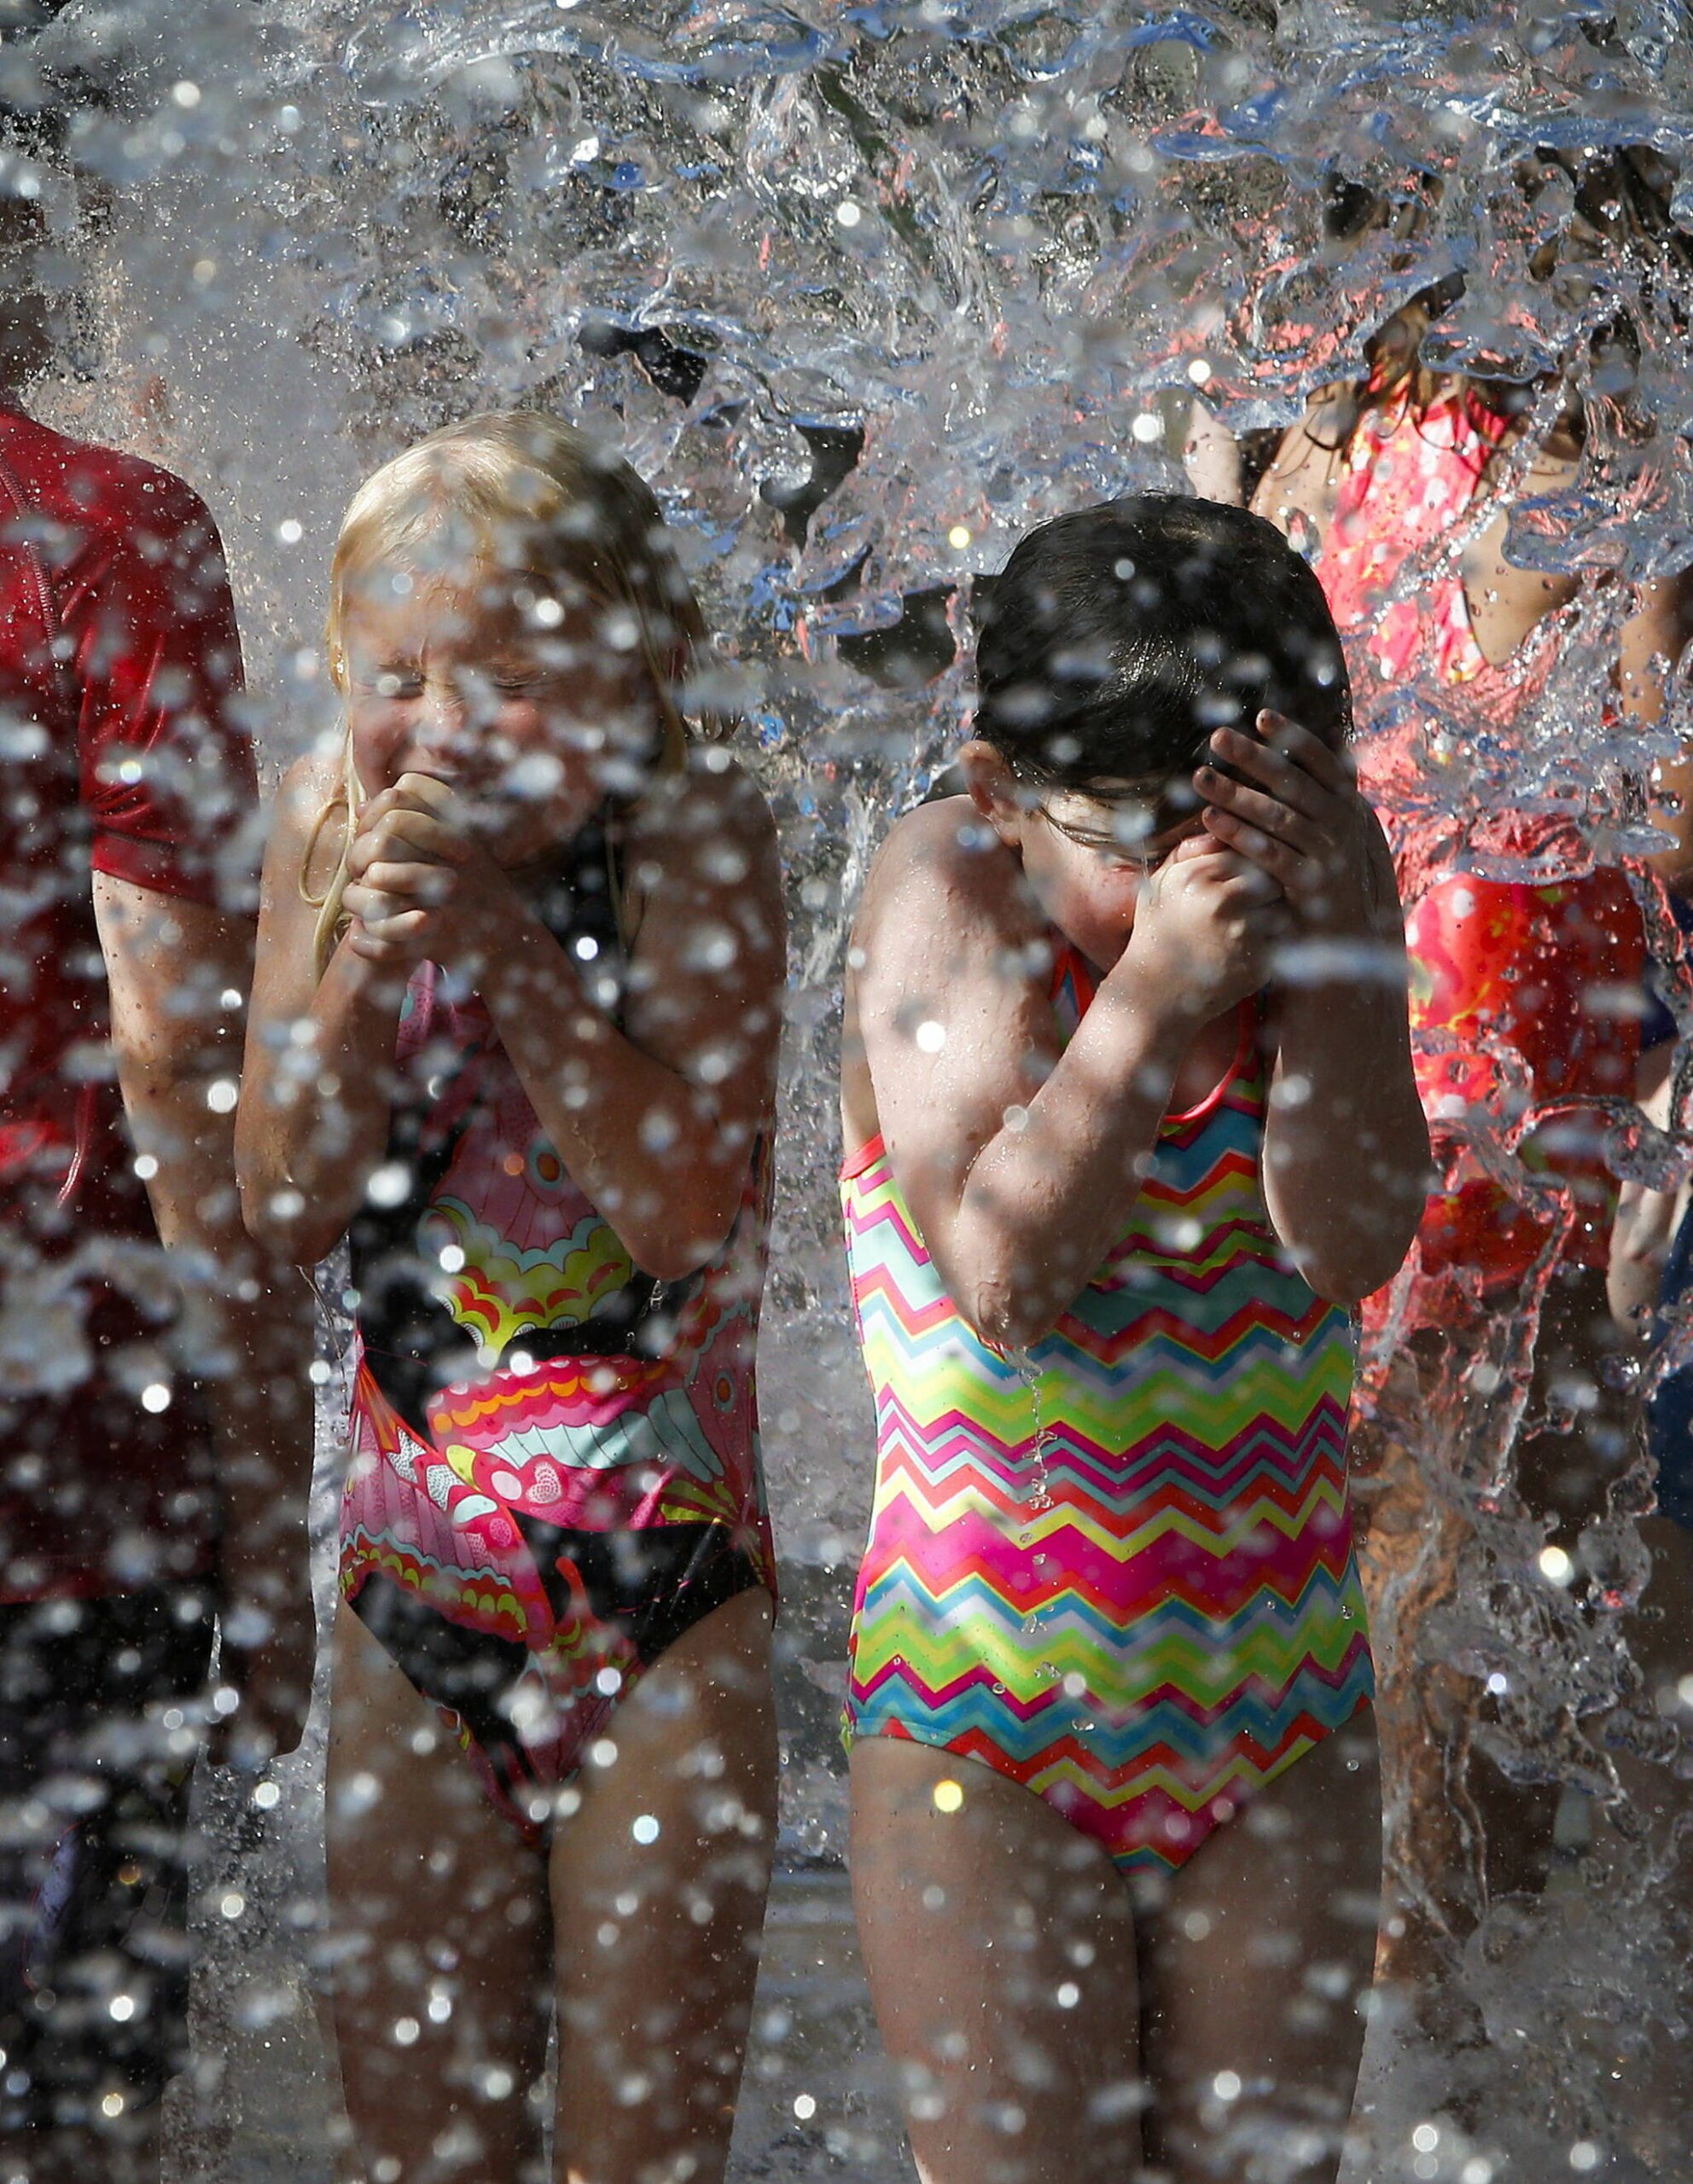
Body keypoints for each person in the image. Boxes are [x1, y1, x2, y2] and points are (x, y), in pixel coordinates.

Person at [840, 495, 1428, 2184]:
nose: (1196, 888)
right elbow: (999, 1274)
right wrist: (1146, 998)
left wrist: (1354, 945)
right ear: (995, 791)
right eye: (1138, 846)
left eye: (1234, 837)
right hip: (984, 1716)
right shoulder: (947, 893)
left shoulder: (1302, 904)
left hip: (1277, 1711)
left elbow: (1345, 1240)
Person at [237, 412, 786, 2184]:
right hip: (413, 1598)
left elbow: (693, 1210)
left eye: (509, 676)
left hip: (667, 1592)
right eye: (401, 675)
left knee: (641, 2155)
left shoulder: (687, 837)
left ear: (634, 679)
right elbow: (282, 1200)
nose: (445, 725)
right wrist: (353, 973)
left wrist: (503, 955)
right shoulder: (328, 825)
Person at [1206, 151, 1693, 2053]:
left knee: (1371, 1511)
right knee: (1483, 1521)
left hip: (1335, 1022)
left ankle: (1354, 1988)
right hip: (1509, 1064)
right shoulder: (1624, 482)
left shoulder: (1343, 434)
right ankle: (1431, 2011)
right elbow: (1667, 814)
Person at [0, 106, 314, 2184]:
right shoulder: (103, 539)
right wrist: (267, 1496)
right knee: (77, 2085)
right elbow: (179, 1075)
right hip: (60, 1428)